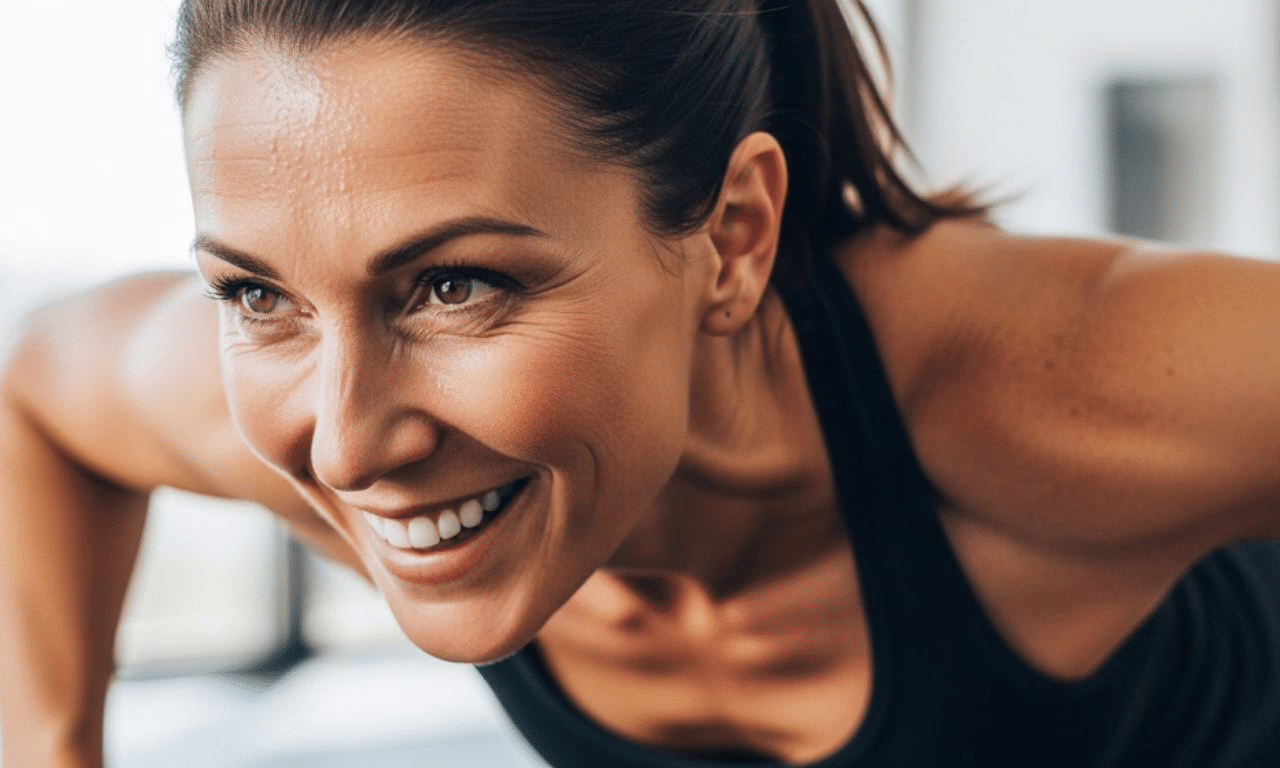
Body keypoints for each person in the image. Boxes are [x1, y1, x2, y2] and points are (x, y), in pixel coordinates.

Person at [2, 0, 1279, 766]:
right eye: (255, 294)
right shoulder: (340, 427)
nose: (343, 448)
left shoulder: (1052, 390)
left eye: (454, 286)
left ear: (729, 238)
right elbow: (40, 391)